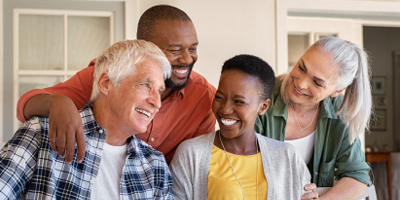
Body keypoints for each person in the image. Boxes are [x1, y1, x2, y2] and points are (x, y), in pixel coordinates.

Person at [15, 5, 216, 164]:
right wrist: (57, 103)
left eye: (193, 49)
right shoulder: (110, 76)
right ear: (146, 48)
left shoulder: (203, 96)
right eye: (175, 50)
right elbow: (25, 105)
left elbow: (193, 164)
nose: (187, 59)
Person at [0, 40, 173, 199]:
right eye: (145, 85)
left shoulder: (155, 166)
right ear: (106, 83)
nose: (156, 102)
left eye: (159, 91)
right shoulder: (41, 133)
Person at [169, 54, 311, 199]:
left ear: (263, 106)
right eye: (219, 98)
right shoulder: (191, 154)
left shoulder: (287, 157)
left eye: (239, 102)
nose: (225, 109)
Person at [255, 36, 374, 200]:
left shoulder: (341, 114)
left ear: (337, 91)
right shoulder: (260, 95)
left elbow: (358, 175)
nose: (301, 83)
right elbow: (239, 163)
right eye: (302, 68)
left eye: (317, 83)